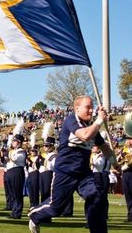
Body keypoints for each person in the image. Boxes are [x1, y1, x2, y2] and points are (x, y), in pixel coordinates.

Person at [29, 96, 119, 233]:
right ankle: (35, 215)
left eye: (92, 107)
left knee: (96, 197)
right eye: (87, 107)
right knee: (56, 208)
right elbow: (85, 135)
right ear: (77, 109)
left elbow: (104, 147)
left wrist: (116, 164)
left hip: (84, 174)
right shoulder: (71, 120)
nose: (91, 110)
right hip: (65, 172)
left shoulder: (91, 126)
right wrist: (99, 120)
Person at [118, 135, 132, 222]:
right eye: (127, 139)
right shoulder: (124, 149)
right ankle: (130, 216)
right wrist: (120, 156)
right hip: (126, 173)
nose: (127, 141)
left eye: (129, 139)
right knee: (128, 196)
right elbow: (119, 161)